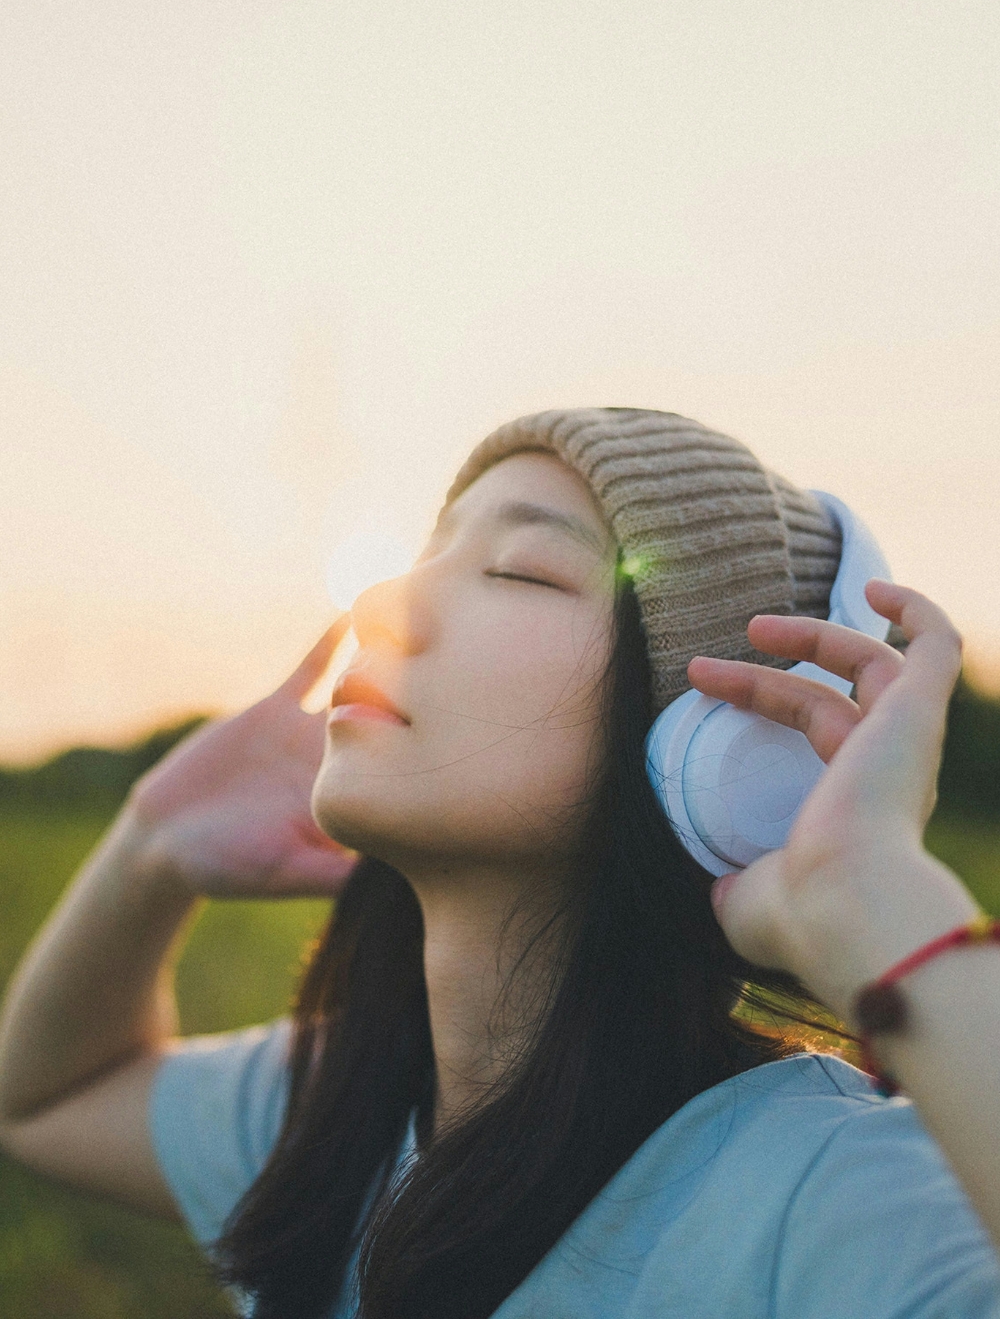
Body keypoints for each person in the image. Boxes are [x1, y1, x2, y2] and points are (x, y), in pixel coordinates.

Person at [1, 406, 999, 1319]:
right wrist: (149, 848)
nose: (385, 605)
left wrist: (877, 905)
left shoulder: (831, 1194)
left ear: (718, 755)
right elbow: (43, 1103)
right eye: (428, 551)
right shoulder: (333, 1117)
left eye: (520, 570)